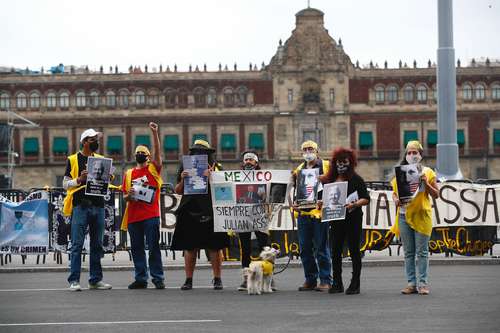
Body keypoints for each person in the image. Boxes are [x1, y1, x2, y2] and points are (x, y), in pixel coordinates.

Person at [171, 139, 229, 290]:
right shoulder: (185, 166)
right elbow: (177, 190)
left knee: (215, 247)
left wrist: (212, 178)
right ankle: (188, 280)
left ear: (208, 154)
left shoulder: (218, 167)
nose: (199, 154)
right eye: (196, 152)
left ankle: (217, 279)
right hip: (189, 209)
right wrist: (183, 180)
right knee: (190, 248)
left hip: (211, 210)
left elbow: (225, 191)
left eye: (202, 152)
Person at [62, 128, 112, 291]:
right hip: (81, 206)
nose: (96, 142)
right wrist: (79, 179)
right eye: (93, 139)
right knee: (77, 244)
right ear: (84, 142)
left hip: (98, 205)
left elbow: (105, 182)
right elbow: (65, 184)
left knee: (97, 244)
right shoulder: (73, 159)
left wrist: (108, 177)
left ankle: (95, 280)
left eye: (96, 139)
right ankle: (74, 280)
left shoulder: (101, 159)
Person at [391, 140, 439, 295]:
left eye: (415, 152)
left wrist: (427, 183)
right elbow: (394, 192)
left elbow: (436, 195)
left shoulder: (429, 172)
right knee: (409, 252)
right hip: (404, 216)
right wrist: (395, 199)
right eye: (409, 152)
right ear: (406, 155)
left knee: (422, 252)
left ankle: (423, 284)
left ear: (420, 155)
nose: (412, 155)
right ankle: (411, 283)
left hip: (422, 216)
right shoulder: (400, 172)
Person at [121, 122, 165, 290]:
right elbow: (125, 197)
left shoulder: (153, 169)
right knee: (137, 248)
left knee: (154, 247)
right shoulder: (129, 174)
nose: (140, 154)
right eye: (137, 152)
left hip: (151, 215)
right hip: (133, 216)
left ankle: (158, 277)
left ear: (148, 157)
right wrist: (129, 195)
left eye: (143, 152)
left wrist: (154, 132)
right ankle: (141, 278)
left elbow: (158, 151)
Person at [320, 147, 370, 295]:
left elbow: (366, 198)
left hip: (353, 219)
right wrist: (320, 203)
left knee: (354, 250)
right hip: (335, 219)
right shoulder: (330, 180)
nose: (341, 165)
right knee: (335, 251)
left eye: (344, 162)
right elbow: (325, 199)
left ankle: (355, 283)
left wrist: (354, 204)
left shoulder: (356, 179)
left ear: (351, 162)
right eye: (338, 162)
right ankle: (337, 282)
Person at [292, 140, 332, 292]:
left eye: (311, 149)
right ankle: (310, 279)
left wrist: (325, 200)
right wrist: (295, 204)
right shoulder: (299, 169)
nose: (308, 152)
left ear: (317, 151)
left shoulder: (327, 166)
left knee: (321, 247)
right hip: (303, 213)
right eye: (305, 149)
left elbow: (335, 185)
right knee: (305, 248)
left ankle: (325, 280)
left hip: (320, 213)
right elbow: (297, 191)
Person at [236, 151, 271, 291]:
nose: (249, 161)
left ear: (256, 163)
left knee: (265, 248)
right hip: (243, 217)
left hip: (260, 216)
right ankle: (246, 279)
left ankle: (268, 278)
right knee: (245, 249)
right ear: (243, 163)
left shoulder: (264, 178)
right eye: (246, 159)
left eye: (251, 159)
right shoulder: (236, 178)